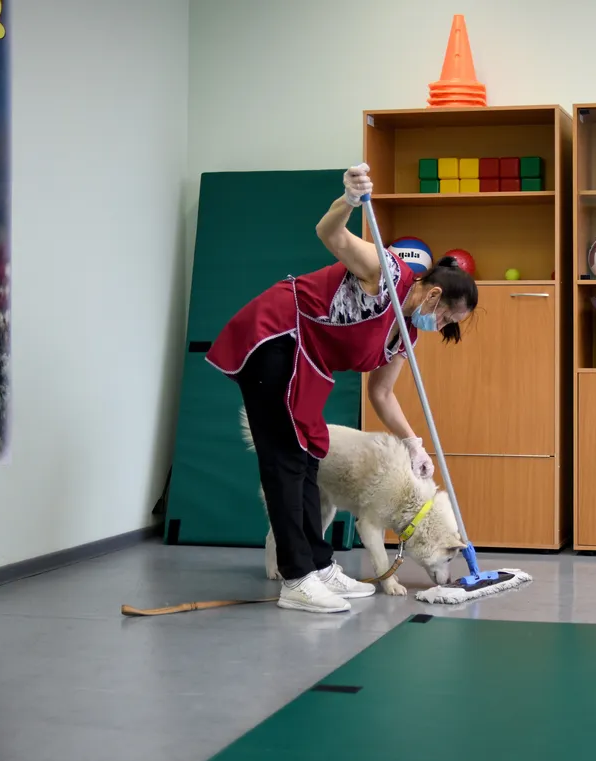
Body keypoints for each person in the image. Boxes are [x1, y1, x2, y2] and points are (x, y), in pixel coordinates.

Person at [205, 164, 480, 613]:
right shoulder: (386, 272)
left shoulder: (406, 334)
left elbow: (382, 394)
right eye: (448, 316)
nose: (443, 325)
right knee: (286, 457)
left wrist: (413, 443)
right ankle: (297, 579)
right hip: (277, 335)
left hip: (309, 361)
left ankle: (318, 564)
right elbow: (329, 233)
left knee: (311, 454)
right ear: (434, 296)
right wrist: (348, 200)